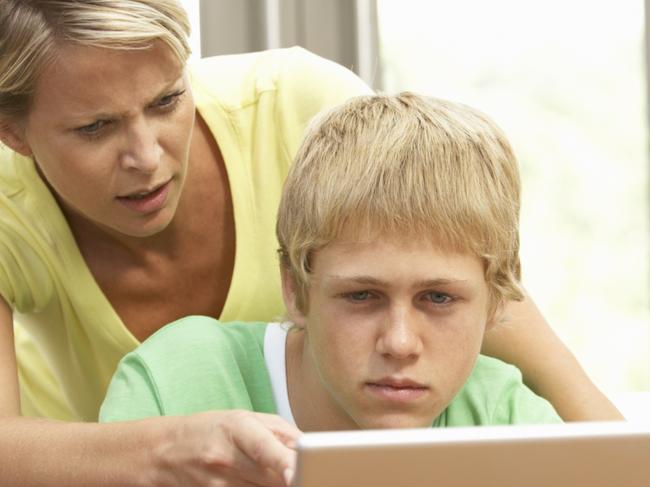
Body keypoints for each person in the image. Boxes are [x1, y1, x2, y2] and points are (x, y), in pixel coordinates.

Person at [0, 0, 620, 485]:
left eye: (167, 100)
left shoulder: (296, 104)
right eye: (95, 127)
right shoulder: (168, 380)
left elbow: (453, 246)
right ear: (14, 134)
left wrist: (614, 455)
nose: (146, 156)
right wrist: (166, 448)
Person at [99, 94, 562, 485]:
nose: (399, 343)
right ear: (296, 290)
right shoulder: (177, 383)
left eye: (437, 298)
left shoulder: (504, 415)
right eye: (362, 296)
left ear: (498, 298)